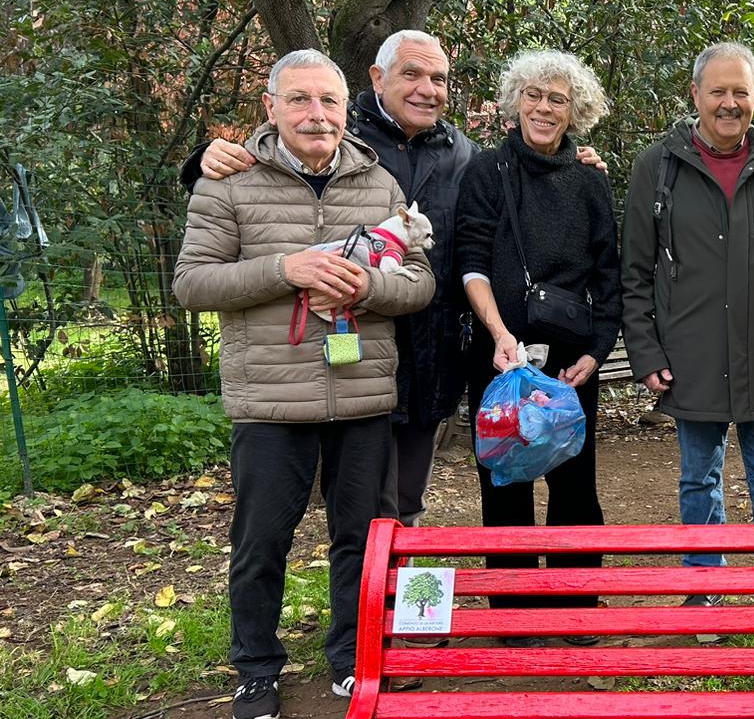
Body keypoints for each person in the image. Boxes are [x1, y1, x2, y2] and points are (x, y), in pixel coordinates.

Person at [184, 31, 607, 527]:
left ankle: (394, 599)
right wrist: (204, 160)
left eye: (438, 78)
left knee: (406, 502)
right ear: (377, 79)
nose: (426, 88)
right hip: (339, 357)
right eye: (411, 74)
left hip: (429, 352)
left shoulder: (462, 155)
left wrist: (575, 162)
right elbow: (277, 159)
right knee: (348, 512)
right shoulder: (338, 134)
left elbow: (505, 208)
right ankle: (361, 599)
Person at [173, 49, 435, 719]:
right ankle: (256, 668)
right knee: (261, 540)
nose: (316, 114)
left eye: (328, 101)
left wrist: (369, 286)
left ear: (347, 110)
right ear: (272, 107)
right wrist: (284, 268)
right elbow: (192, 283)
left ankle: (351, 654)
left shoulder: (379, 186)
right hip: (270, 400)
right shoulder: (227, 183)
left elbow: (422, 281)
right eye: (300, 100)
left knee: (363, 537)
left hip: (362, 396)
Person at [620, 41, 754, 601]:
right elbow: (635, 272)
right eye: (718, 91)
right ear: (695, 94)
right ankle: (703, 582)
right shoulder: (658, 167)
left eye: (741, 91)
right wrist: (646, 353)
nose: (729, 103)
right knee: (698, 476)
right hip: (691, 357)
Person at [454, 50, 622, 640]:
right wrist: (500, 335)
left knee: (575, 483)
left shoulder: (589, 180)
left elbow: (609, 278)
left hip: (571, 363)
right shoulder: (486, 173)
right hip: (501, 354)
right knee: (505, 479)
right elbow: (470, 261)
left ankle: (576, 605)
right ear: (515, 101)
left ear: (576, 109)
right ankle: (516, 613)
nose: (544, 107)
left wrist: (595, 353)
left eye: (557, 98)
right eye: (534, 95)